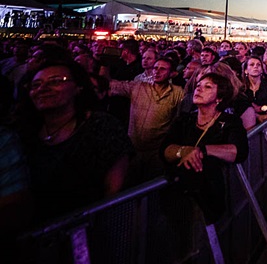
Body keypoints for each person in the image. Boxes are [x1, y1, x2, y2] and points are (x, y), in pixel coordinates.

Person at [18, 61, 133, 222]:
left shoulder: (102, 127)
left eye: (56, 81)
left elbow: (114, 191)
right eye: (36, 84)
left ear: (78, 87)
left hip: (85, 229)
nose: (42, 88)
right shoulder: (23, 131)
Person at [161, 72, 248, 223]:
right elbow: (165, 149)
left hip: (210, 195)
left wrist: (202, 151)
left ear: (219, 98)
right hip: (178, 198)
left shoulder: (229, 122)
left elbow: (239, 151)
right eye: (198, 86)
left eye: (207, 87)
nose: (199, 90)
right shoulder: (185, 120)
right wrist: (183, 151)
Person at [109, 56, 184, 184]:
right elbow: (110, 84)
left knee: (152, 187)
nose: (157, 71)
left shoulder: (177, 93)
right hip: (133, 150)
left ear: (172, 73)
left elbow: (179, 119)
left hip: (157, 153)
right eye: (155, 68)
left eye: (162, 69)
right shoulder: (138, 87)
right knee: (130, 187)